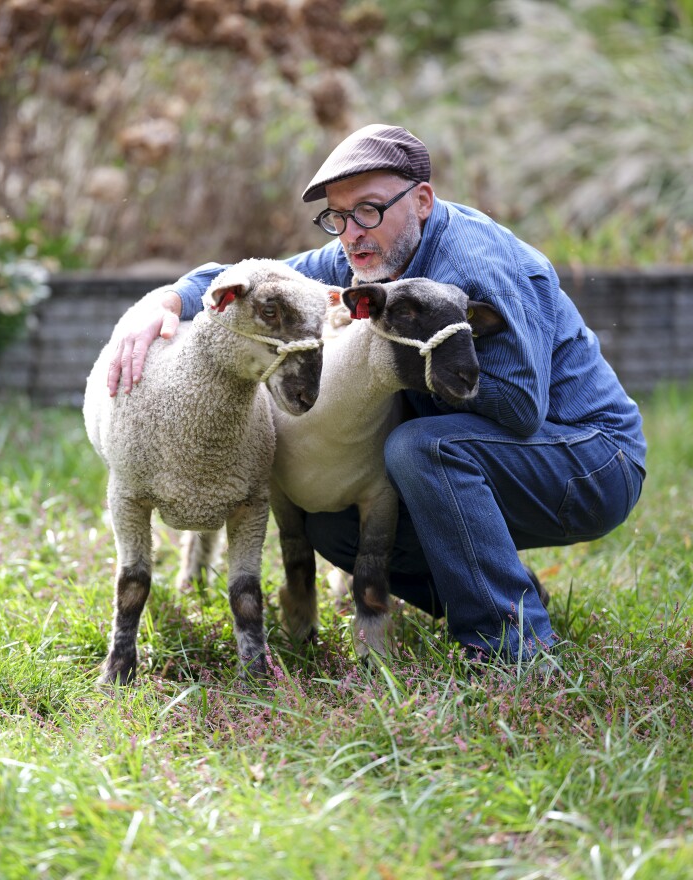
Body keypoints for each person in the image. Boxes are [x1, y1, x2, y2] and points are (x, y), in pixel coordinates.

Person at [107, 123, 646, 662]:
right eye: (337, 217)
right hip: (499, 456)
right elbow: (260, 277)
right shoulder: (363, 254)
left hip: (590, 459)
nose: (351, 233)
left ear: (423, 200)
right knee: (329, 522)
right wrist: (171, 300)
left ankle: (514, 647)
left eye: (368, 209)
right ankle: (497, 591)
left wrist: (415, 359)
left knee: (420, 448)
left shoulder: (472, 265)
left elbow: (523, 406)